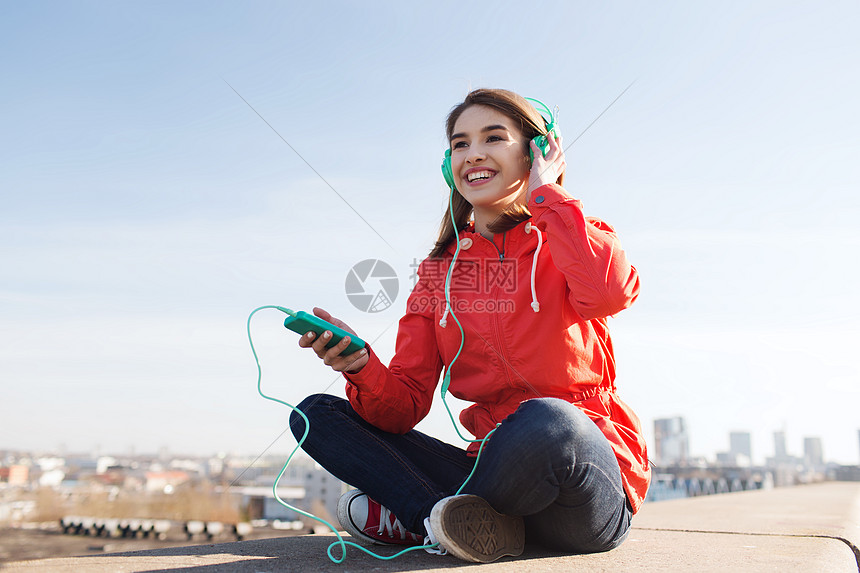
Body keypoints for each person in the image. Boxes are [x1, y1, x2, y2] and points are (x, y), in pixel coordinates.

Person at [291, 88, 650, 563]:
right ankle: (444, 519)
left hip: (578, 478)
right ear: (448, 165)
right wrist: (359, 365)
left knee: (552, 420)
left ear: (537, 152)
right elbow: (402, 408)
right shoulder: (439, 273)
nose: (473, 153)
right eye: (460, 144)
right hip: (490, 468)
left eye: (494, 137)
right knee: (316, 414)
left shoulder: (571, 232)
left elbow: (609, 292)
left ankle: (420, 516)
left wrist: (549, 193)